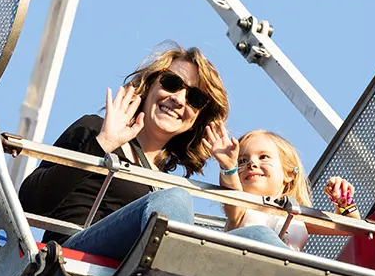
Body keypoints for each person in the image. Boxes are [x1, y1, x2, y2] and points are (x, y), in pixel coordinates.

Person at [18, 43, 230, 260]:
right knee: (175, 199)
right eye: (172, 83)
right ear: (149, 85)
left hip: (132, 270)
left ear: (199, 119)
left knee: (257, 235)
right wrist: (101, 145)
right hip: (73, 256)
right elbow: (29, 202)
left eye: (195, 98)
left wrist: (230, 174)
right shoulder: (93, 129)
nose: (178, 99)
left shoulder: (163, 185)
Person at [202, 124, 358, 250]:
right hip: (245, 270)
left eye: (263, 157)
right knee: (261, 234)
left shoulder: (297, 216)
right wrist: (228, 167)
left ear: (289, 173)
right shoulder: (241, 210)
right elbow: (233, 195)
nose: (252, 164)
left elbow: (350, 227)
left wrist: (344, 202)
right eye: (241, 161)